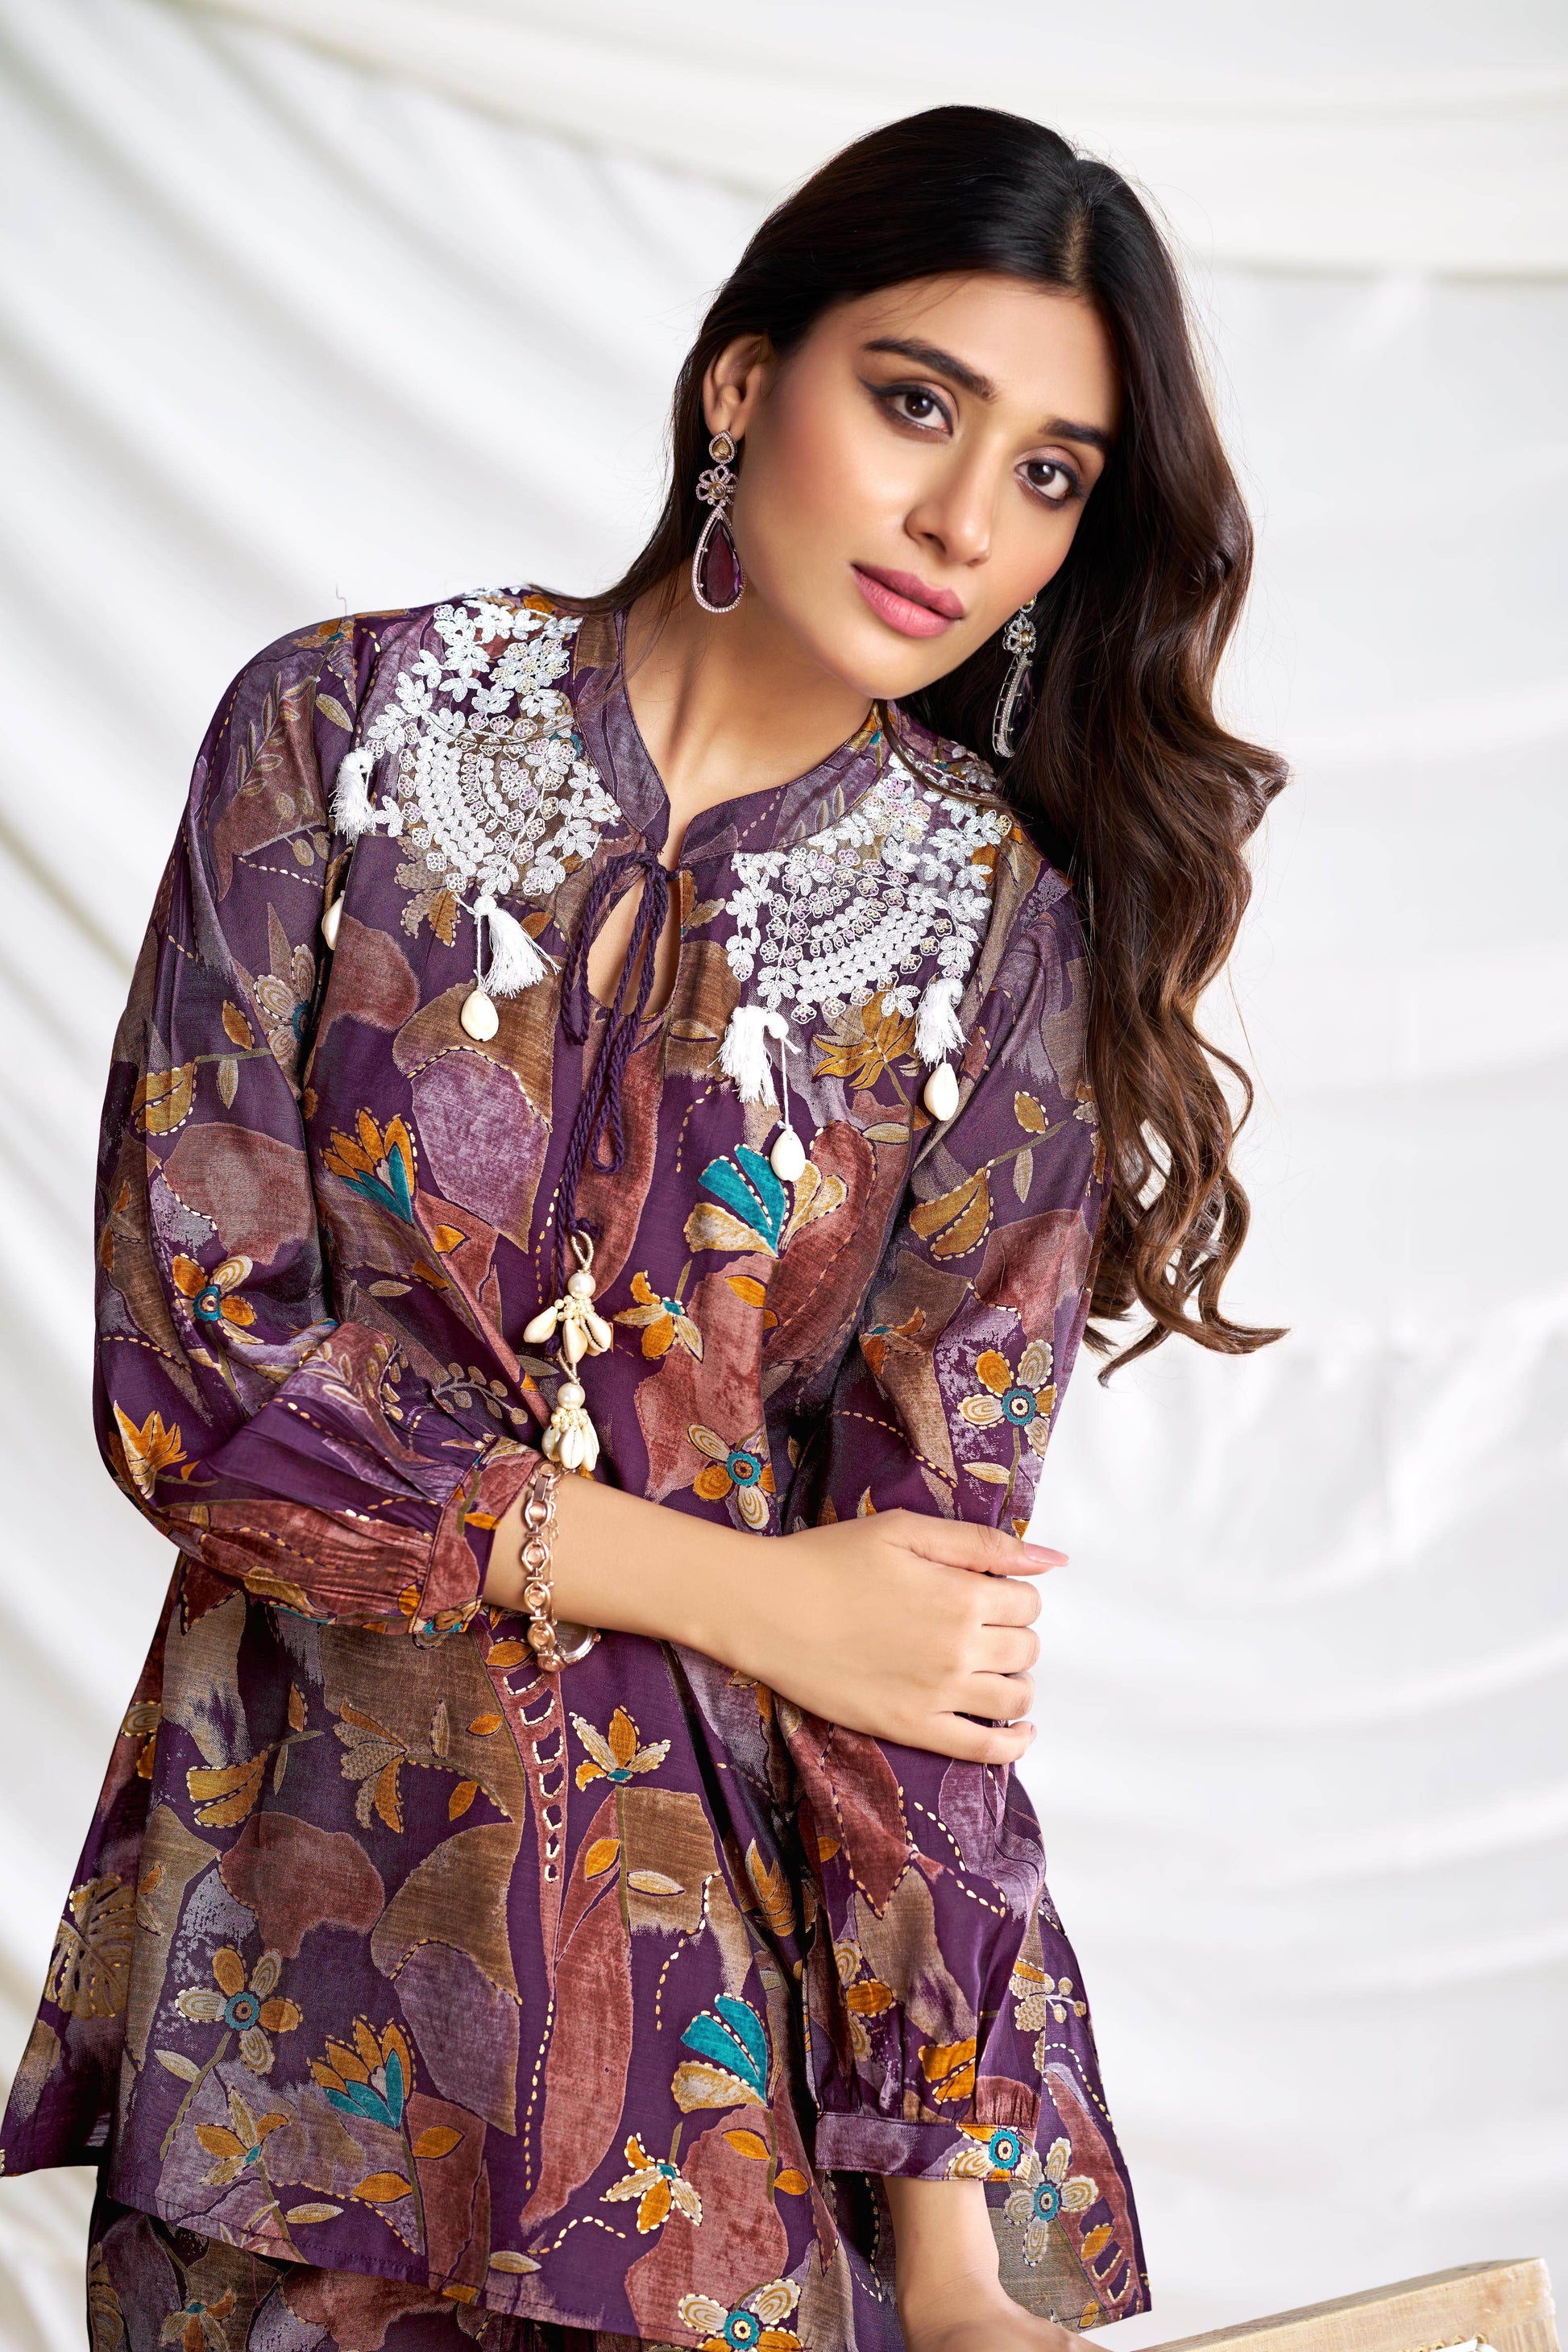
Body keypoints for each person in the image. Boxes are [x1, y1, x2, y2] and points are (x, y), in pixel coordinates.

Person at [1, 105, 1285, 2352]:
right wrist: (749, 1589)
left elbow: (922, 1634)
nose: (963, 524)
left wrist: (954, 2263)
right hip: (290, 2027)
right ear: (740, 382)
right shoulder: (339, 734)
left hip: (711, 2095)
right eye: (916, 404)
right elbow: (200, 1381)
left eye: (1052, 476)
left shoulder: (994, 939)